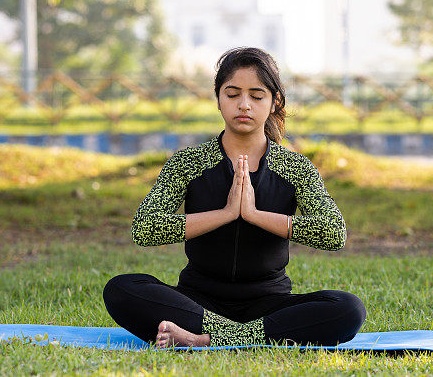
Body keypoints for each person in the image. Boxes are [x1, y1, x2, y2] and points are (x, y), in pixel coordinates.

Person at [103, 46, 366, 348]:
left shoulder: (295, 167)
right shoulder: (189, 162)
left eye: (256, 96)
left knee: (348, 309)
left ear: (274, 102)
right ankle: (241, 337)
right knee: (122, 288)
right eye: (232, 94)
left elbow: (334, 233)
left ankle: (205, 339)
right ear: (218, 99)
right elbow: (144, 228)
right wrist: (226, 213)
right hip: (197, 303)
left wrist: (255, 215)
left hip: (269, 305)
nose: (244, 105)